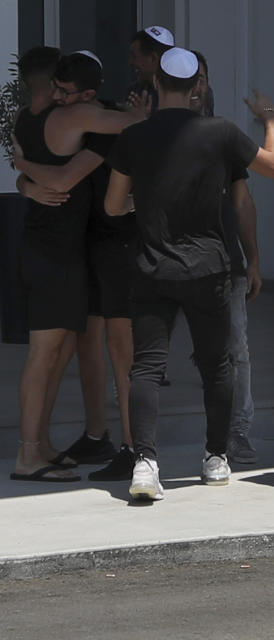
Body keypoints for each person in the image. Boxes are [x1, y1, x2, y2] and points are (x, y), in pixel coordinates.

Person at [104, 48, 274, 501]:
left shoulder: (134, 136)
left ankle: (145, 464)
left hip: (151, 267)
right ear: (197, 87)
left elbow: (112, 206)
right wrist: (269, 119)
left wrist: (141, 204)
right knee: (216, 365)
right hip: (209, 268)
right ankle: (216, 457)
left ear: (156, 86)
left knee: (145, 366)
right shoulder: (220, 132)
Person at [10, 47, 145, 483]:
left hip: (51, 246)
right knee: (44, 355)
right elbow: (132, 127)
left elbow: (45, 172)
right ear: (53, 85)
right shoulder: (68, 118)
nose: (65, 95)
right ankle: (29, 453)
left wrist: (23, 175)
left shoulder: (22, 119)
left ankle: (42, 445)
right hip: (56, 252)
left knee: (56, 353)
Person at [190, 50, 261, 464]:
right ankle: (138, 445)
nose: (196, 86)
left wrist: (252, 259)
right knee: (149, 358)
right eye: (189, 79)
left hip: (224, 262)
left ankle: (237, 434)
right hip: (166, 262)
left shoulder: (223, 134)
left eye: (202, 78)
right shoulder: (155, 132)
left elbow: (243, 201)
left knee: (237, 351)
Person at [125, 26, 174, 113]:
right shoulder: (134, 91)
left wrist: (143, 120)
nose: (130, 62)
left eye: (134, 56)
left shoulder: (181, 89)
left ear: (152, 58)